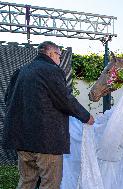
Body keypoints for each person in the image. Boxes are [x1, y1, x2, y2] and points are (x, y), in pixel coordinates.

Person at [2, 41, 94, 189]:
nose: (59, 59)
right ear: (51, 53)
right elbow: (64, 99)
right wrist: (86, 116)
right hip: (47, 141)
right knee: (50, 183)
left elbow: (8, 99)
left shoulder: (20, 71)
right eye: (59, 55)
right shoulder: (51, 70)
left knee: (26, 181)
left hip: (21, 139)